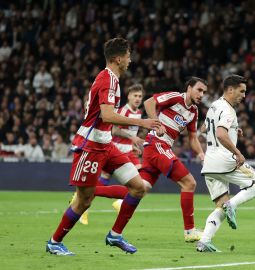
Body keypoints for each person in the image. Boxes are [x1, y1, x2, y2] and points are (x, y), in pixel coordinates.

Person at [45, 38, 162, 256]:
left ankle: (115, 235)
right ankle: (54, 242)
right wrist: (142, 122)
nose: (130, 59)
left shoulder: (113, 80)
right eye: (128, 55)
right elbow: (108, 115)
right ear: (118, 58)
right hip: (90, 146)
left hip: (106, 144)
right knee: (84, 201)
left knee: (139, 187)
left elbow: (106, 117)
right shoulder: (108, 80)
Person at [88, 77, 208, 242]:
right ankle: (189, 231)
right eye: (199, 90)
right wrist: (156, 123)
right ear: (189, 88)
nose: (202, 94)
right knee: (189, 183)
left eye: (204, 92)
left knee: (139, 190)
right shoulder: (175, 97)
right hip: (157, 145)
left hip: (159, 148)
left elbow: (193, 137)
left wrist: (201, 155)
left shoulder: (193, 112)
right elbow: (149, 102)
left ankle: (90, 190)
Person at [196, 75, 255, 252]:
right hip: (225, 160)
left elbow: (205, 129)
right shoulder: (228, 110)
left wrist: (234, 129)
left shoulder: (214, 105)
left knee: (220, 206)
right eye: (241, 91)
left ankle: (204, 241)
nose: (243, 95)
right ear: (230, 90)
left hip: (209, 163)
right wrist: (237, 152)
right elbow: (220, 133)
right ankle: (231, 206)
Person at [75, 83, 146, 225]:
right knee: (141, 179)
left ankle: (83, 201)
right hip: (116, 148)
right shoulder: (122, 111)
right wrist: (132, 138)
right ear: (129, 97)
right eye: (135, 96)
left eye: (140, 96)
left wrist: (132, 144)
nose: (138, 99)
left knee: (106, 179)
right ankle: (118, 202)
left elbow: (130, 133)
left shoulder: (138, 113)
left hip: (127, 149)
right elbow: (113, 130)